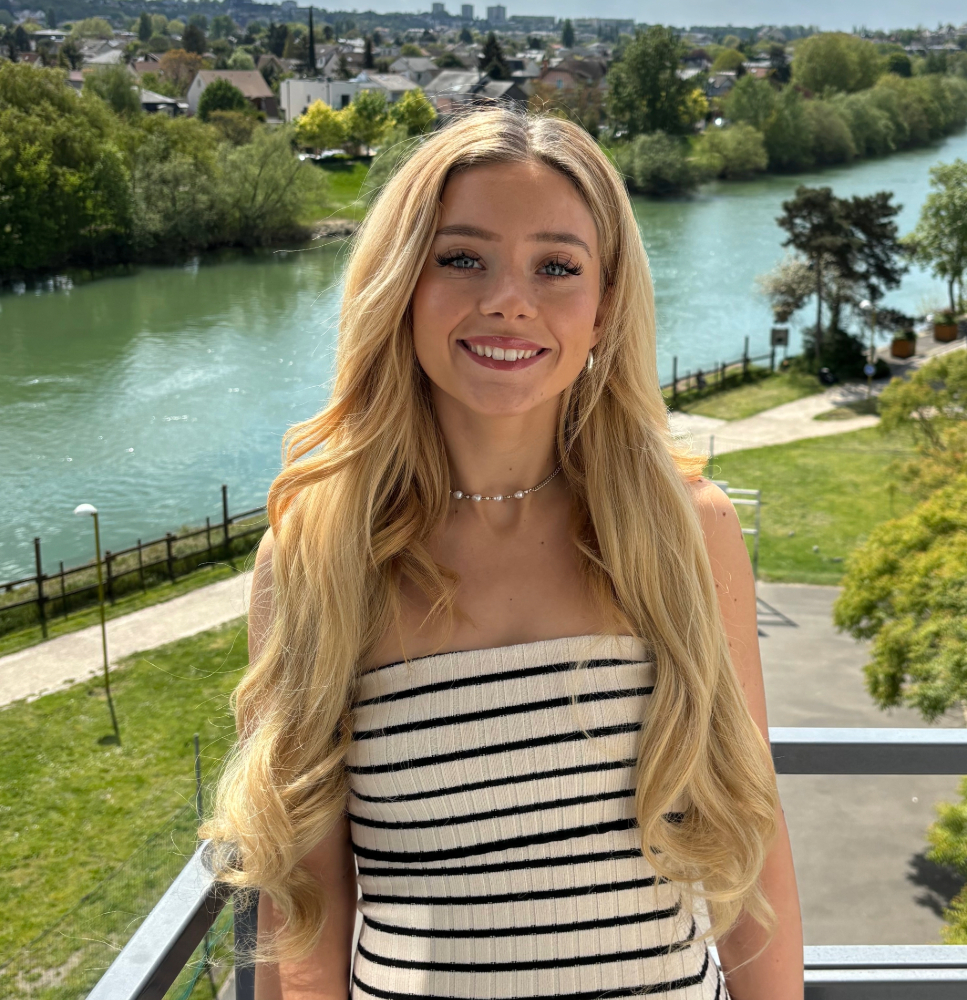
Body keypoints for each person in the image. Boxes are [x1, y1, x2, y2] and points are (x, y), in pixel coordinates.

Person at [205, 106, 803, 999]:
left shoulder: (684, 530)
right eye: (462, 258)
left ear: (604, 309)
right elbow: (306, 901)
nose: (508, 300)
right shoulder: (318, 557)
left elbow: (753, 848)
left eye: (556, 266)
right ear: (402, 284)